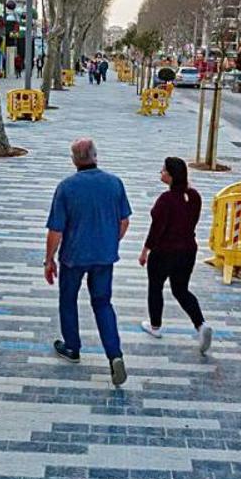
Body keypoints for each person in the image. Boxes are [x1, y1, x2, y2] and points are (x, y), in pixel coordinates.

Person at [45, 138, 132, 386]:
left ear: (74, 160)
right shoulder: (114, 184)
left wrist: (49, 259)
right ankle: (114, 355)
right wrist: (110, 242)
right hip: (104, 257)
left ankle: (72, 347)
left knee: (68, 299)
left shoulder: (66, 188)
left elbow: (56, 231)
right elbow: (124, 221)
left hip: (74, 257)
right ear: (96, 156)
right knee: (103, 303)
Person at [138, 157, 212, 353]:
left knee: (156, 287)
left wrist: (145, 250)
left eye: (163, 171)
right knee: (181, 290)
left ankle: (155, 326)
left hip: (164, 251)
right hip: (187, 250)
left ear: (171, 177)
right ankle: (201, 325)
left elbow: (157, 229)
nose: (160, 173)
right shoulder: (194, 197)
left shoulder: (165, 200)